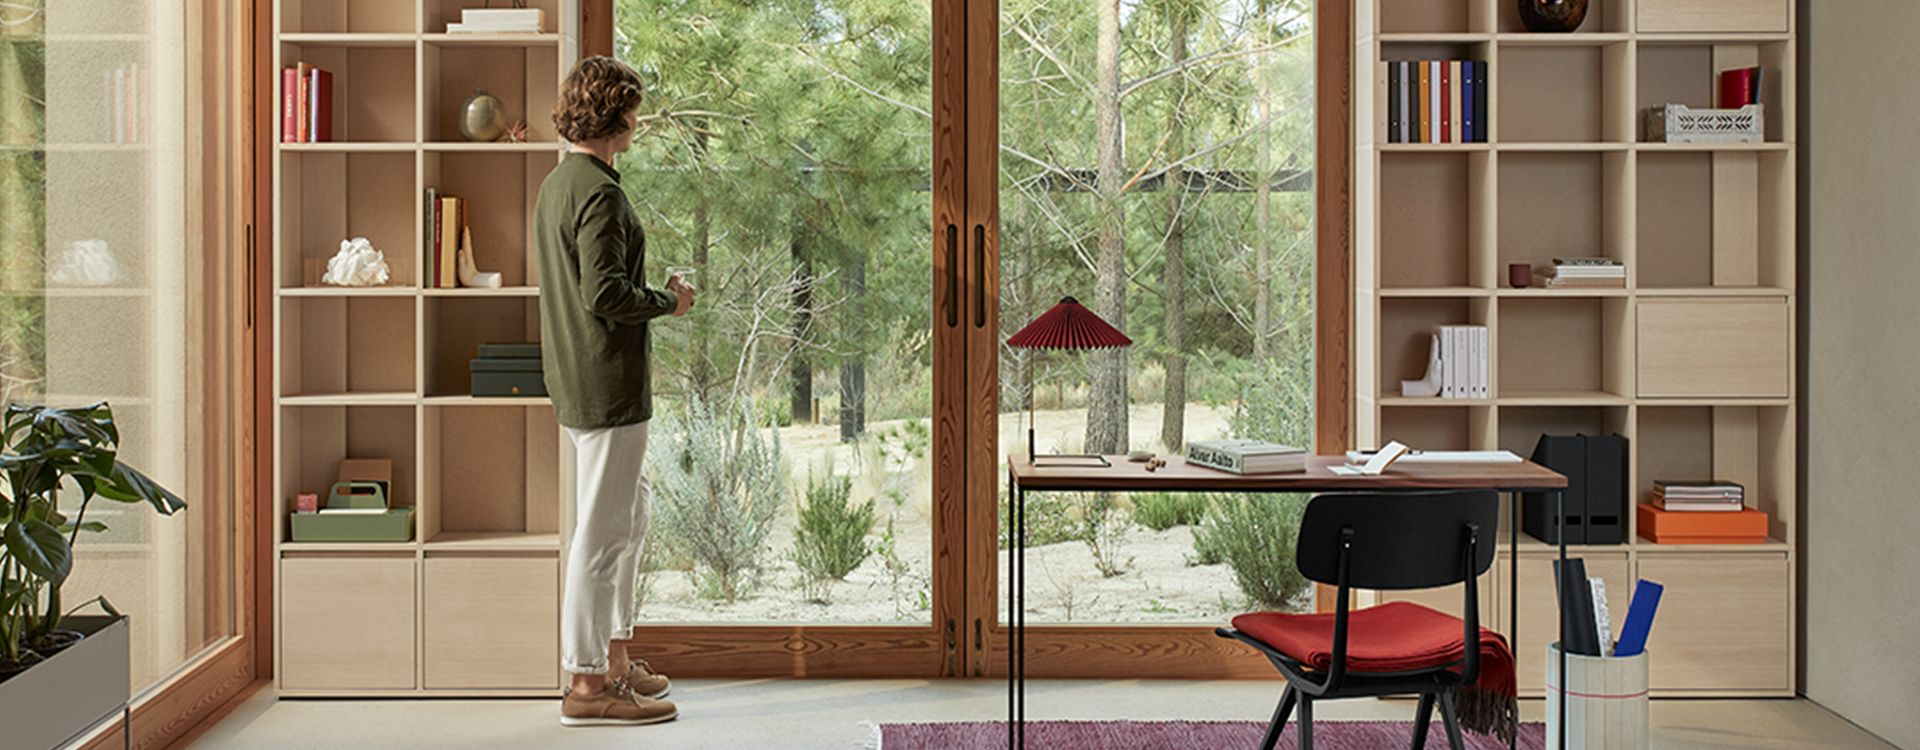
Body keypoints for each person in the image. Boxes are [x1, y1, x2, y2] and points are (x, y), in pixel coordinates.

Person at [536, 55, 694, 728]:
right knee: (600, 537)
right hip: (606, 381)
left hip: (581, 378)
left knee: (628, 520)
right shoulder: (599, 193)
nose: (640, 118)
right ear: (614, 114)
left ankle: (616, 660)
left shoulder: (559, 183)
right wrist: (671, 301)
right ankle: (585, 683)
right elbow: (603, 293)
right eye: (634, 105)